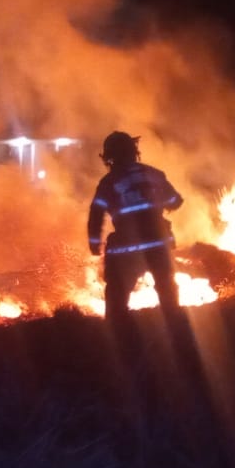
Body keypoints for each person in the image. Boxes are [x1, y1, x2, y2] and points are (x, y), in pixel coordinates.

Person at [87, 131, 188, 333]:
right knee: (167, 288)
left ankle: (119, 334)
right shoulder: (154, 173)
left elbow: (96, 214)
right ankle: (176, 330)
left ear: (109, 157)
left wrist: (95, 243)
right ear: (134, 151)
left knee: (117, 294)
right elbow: (175, 201)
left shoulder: (108, 182)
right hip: (159, 243)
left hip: (127, 247)